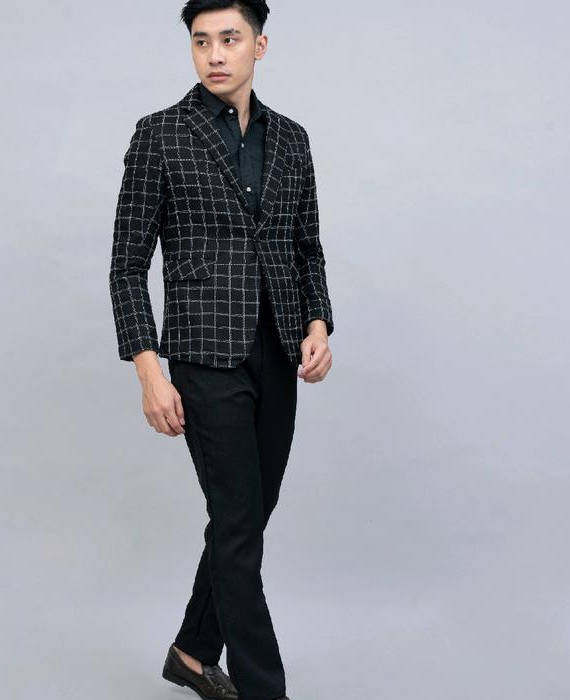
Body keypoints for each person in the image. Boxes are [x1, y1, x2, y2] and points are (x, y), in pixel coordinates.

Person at [108, 2, 334, 698]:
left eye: (229, 39)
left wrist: (318, 324)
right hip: (204, 357)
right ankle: (266, 689)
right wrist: (149, 369)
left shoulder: (291, 139)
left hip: (278, 351)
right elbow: (126, 266)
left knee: (246, 519)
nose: (214, 54)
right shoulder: (160, 135)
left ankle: (191, 651)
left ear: (258, 46)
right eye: (201, 41)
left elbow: (306, 247)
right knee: (237, 523)